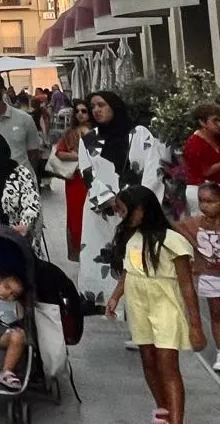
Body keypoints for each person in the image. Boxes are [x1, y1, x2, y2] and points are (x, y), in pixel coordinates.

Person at [105, 186, 206, 424]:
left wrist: (195, 325)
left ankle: (177, 419)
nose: (120, 215)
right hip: (139, 305)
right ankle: (163, 412)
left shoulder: (173, 241)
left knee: (167, 364)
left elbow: (187, 286)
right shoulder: (132, 238)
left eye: (123, 209)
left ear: (140, 210)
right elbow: (129, 271)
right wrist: (115, 296)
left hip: (165, 305)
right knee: (148, 360)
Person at [173, 181, 220, 371]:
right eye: (202, 201)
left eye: (211, 201)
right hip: (210, 275)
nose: (205, 205)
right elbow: (174, 227)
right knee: (216, 315)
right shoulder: (194, 224)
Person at [55, 101, 94, 261]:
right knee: (76, 216)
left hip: (93, 179)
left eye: (84, 111)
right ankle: (78, 251)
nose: (80, 114)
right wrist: (81, 156)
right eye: (77, 111)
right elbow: (59, 153)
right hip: (75, 180)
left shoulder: (97, 132)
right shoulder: (70, 132)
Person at [183, 103, 220, 211]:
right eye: (215, 120)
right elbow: (204, 171)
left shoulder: (216, 137)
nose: (219, 124)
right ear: (202, 122)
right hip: (200, 192)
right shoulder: (193, 144)